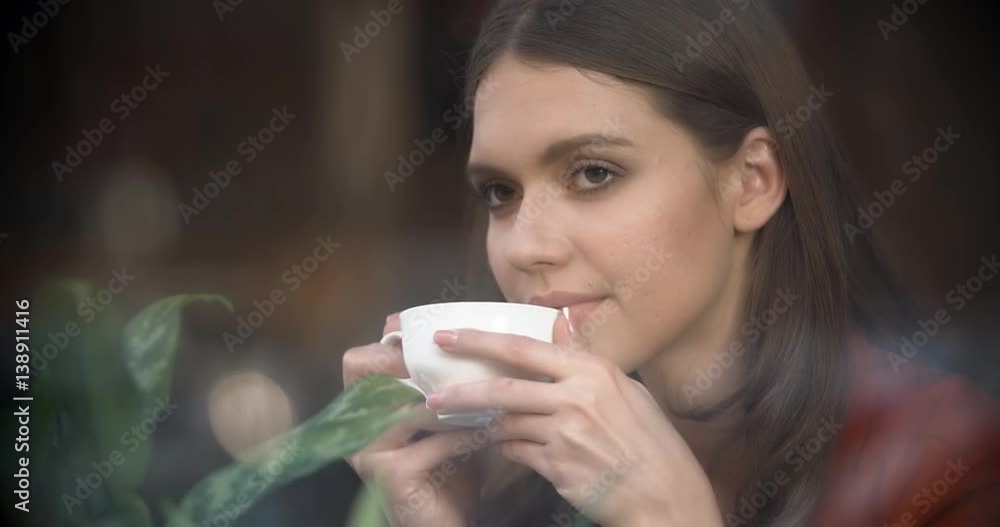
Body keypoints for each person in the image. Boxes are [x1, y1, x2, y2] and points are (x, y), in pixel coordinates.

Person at [342, 0, 1000, 525]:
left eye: (594, 172)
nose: (524, 246)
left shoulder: (941, 462)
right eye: (500, 192)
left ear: (753, 181)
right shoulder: (529, 481)